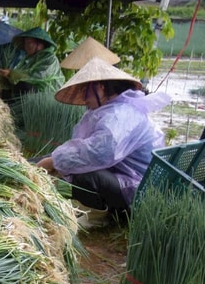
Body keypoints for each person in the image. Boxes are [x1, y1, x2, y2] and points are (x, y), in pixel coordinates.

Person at [35, 58, 171, 228]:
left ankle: (97, 217)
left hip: (139, 191)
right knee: (65, 160)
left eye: (86, 91)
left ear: (100, 87)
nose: (84, 99)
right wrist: (54, 159)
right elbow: (85, 147)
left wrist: (54, 161)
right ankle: (103, 210)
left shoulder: (120, 115)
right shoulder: (118, 108)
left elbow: (98, 152)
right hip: (127, 179)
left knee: (83, 172)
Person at [0, 26, 64, 100]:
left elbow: (37, 77)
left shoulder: (50, 58)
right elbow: (19, 73)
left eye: (29, 43)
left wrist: (11, 74)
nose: (26, 46)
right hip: (33, 94)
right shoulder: (28, 58)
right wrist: (7, 78)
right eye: (25, 43)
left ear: (40, 44)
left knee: (23, 86)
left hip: (47, 95)